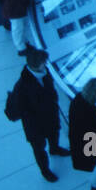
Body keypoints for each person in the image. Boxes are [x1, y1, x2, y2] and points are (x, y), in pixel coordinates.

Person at [10, 48, 69, 181]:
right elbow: (21, 108)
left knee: (54, 134)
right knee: (39, 148)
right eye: (43, 62)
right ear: (35, 65)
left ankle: (54, 149)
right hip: (35, 125)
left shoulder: (44, 73)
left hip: (50, 115)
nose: (46, 64)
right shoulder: (22, 86)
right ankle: (45, 170)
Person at [69, 77, 96, 173]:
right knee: (89, 158)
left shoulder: (79, 98)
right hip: (88, 138)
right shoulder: (88, 108)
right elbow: (95, 127)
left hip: (81, 136)